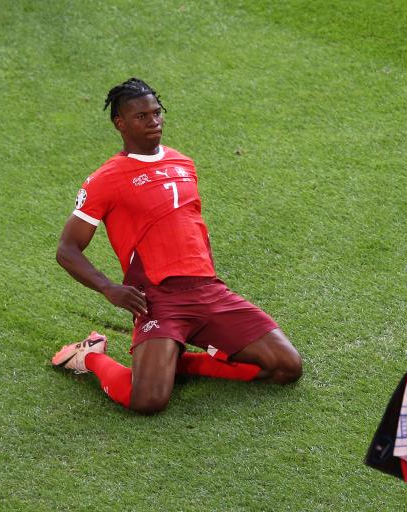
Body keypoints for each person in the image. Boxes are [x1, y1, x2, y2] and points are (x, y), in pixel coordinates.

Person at [52, 78, 302, 414]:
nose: (154, 121)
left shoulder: (183, 163)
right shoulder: (105, 180)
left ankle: (176, 364)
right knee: (148, 401)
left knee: (287, 367)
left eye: (157, 112)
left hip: (210, 293)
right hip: (158, 301)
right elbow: (67, 249)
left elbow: (194, 225)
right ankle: (90, 355)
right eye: (142, 116)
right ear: (120, 124)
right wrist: (109, 288)